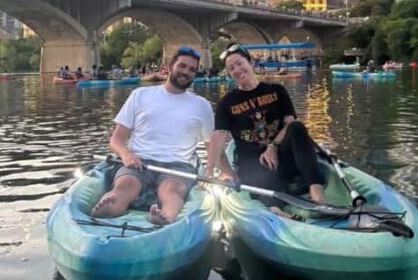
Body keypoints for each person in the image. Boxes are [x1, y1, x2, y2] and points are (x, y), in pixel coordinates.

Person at [91, 46, 214, 224]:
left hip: (178, 165)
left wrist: (211, 172)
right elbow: (116, 139)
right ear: (171, 66)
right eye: (182, 66)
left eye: (192, 70)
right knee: (125, 185)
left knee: (171, 190)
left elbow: (211, 145)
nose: (186, 72)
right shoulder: (140, 95)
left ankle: (166, 215)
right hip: (139, 161)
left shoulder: (202, 105)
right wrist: (126, 155)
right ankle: (111, 204)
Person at [207, 43, 326, 212]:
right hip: (253, 162)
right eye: (231, 68)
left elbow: (290, 123)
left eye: (240, 63)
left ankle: (318, 197)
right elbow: (218, 135)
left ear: (251, 63)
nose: (237, 70)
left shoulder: (276, 90)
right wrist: (209, 169)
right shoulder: (227, 103)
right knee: (256, 172)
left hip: (282, 156)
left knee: (297, 127)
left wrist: (273, 147)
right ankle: (276, 210)